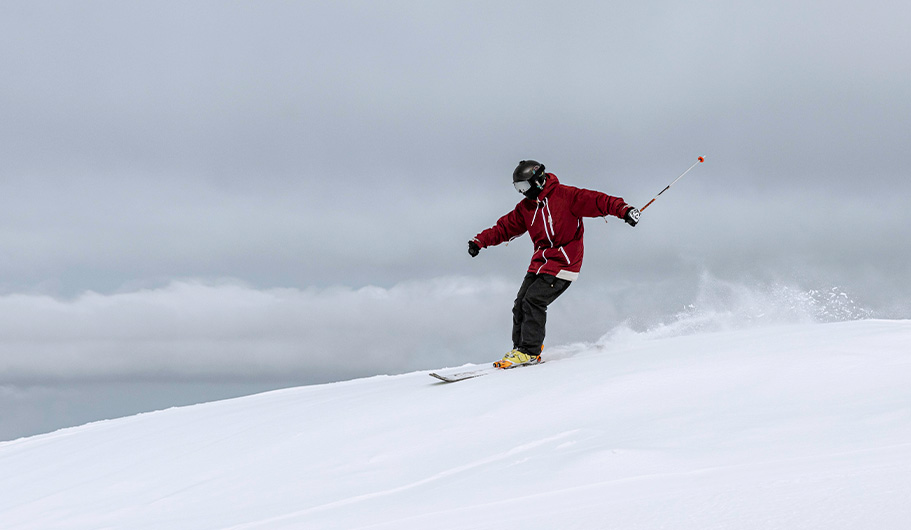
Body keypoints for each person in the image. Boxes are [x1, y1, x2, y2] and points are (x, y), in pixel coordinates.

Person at [468, 160, 640, 369]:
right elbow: (504, 228)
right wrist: (480, 241)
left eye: (524, 187)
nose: (522, 193)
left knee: (533, 300)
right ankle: (520, 349)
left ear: (538, 181)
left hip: (565, 263)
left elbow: (598, 201)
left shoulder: (567, 196)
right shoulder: (526, 208)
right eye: (518, 188)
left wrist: (624, 210)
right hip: (540, 263)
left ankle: (529, 351)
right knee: (520, 303)